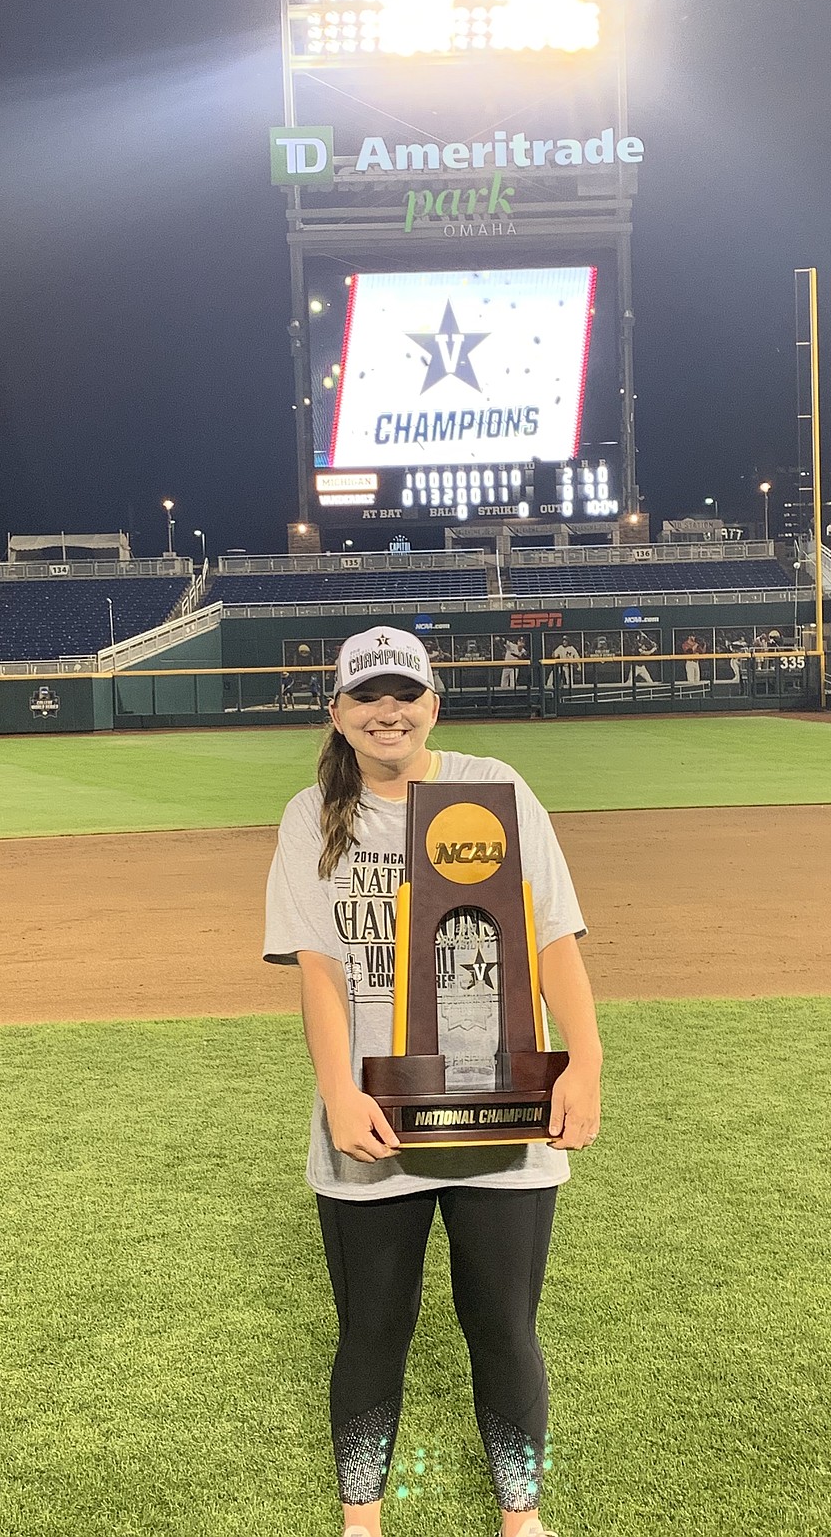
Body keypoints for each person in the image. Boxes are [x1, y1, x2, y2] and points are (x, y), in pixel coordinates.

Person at [264, 626, 602, 1537]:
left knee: (503, 1330)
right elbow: (321, 971)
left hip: (499, 1107)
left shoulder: (492, 790)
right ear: (336, 713)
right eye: (367, 696)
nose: (388, 711)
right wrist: (339, 1091)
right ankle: (362, 1521)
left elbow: (552, 938)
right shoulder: (310, 816)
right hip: (375, 1118)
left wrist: (588, 1066)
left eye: (404, 694)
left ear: (433, 705)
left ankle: (521, 1517)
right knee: (373, 1332)